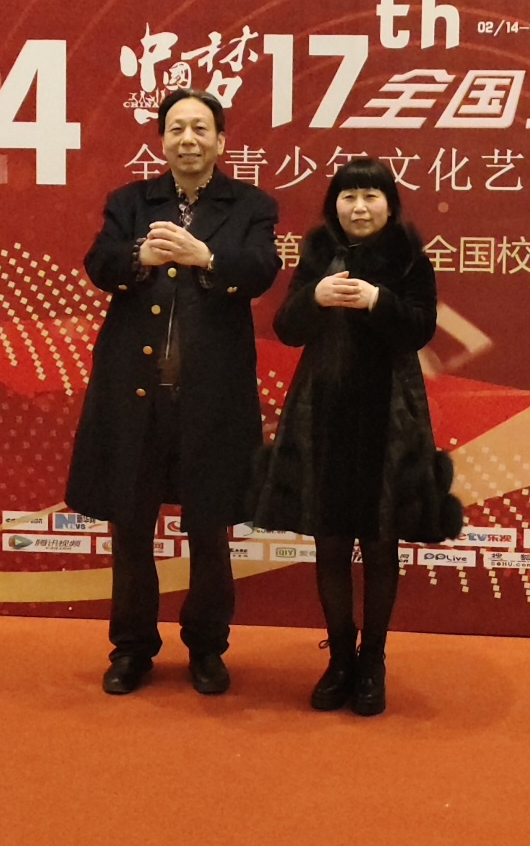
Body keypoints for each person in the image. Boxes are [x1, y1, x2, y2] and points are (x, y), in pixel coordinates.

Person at [65, 88, 282, 696]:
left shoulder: (252, 205)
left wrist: (205, 256)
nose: (188, 139)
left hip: (210, 400)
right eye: (177, 128)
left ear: (221, 141)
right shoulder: (130, 202)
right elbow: (99, 263)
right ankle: (132, 648)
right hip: (135, 395)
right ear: (162, 141)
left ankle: (207, 648)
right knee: (131, 528)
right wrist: (139, 254)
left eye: (200, 129)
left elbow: (261, 270)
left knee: (209, 529)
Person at [250, 157, 450, 717]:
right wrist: (314, 298)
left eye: (370, 197)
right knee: (331, 541)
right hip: (324, 415)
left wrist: (378, 301)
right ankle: (339, 658)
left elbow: (421, 329)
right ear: (333, 205)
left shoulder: (410, 258)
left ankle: (372, 660)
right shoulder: (318, 256)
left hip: (389, 417)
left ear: (390, 204)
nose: (359, 208)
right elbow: (287, 330)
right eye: (348, 197)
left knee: (382, 543)